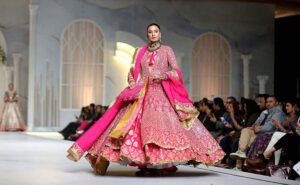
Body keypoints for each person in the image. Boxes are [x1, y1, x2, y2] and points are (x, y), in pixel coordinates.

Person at [66, 23, 224, 176]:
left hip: (160, 92)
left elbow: (176, 71)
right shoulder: (140, 51)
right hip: (141, 92)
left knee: (161, 126)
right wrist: (132, 82)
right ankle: (141, 161)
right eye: (150, 31)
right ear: (147, 34)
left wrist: (163, 75)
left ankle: (162, 162)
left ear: (160, 34)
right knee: (128, 125)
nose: (153, 34)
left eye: (156, 31)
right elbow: (132, 71)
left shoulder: (167, 50)